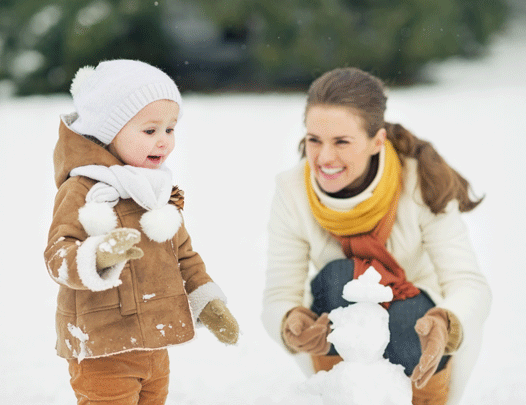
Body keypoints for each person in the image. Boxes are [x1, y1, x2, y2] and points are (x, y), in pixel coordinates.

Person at [262, 67, 491, 405]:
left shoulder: (421, 181)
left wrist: (446, 322)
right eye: (314, 140)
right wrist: (290, 322)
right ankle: (346, 393)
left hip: (419, 324)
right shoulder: (292, 190)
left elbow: (469, 285)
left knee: (398, 317)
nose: (323, 158)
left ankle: (424, 398)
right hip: (339, 321)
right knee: (341, 276)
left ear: (376, 141)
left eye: (342, 141)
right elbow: (279, 294)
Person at [45, 59, 239, 405]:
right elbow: (57, 256)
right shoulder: (82, 190)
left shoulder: (156, 191)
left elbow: (182, 254)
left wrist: (207, 302)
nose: (164, 141)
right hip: (101, 347)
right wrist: (100, 256)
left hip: (154, 344)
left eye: (170, 129)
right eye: (150, 131)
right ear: (108, 131)